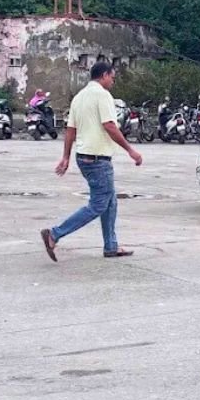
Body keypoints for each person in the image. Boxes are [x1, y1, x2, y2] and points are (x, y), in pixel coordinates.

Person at [40, 62, 142, 261]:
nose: (113, 81)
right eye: (112, 77)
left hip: (84, 156)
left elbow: (70, 130)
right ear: (104, 75)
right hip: (97, 159)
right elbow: (110, 126)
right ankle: (54, 234)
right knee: (98, 204)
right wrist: (131, 150)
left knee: (110, 201)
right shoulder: (102, 95)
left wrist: (66, 156)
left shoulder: (79, 97)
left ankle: (111, 246)